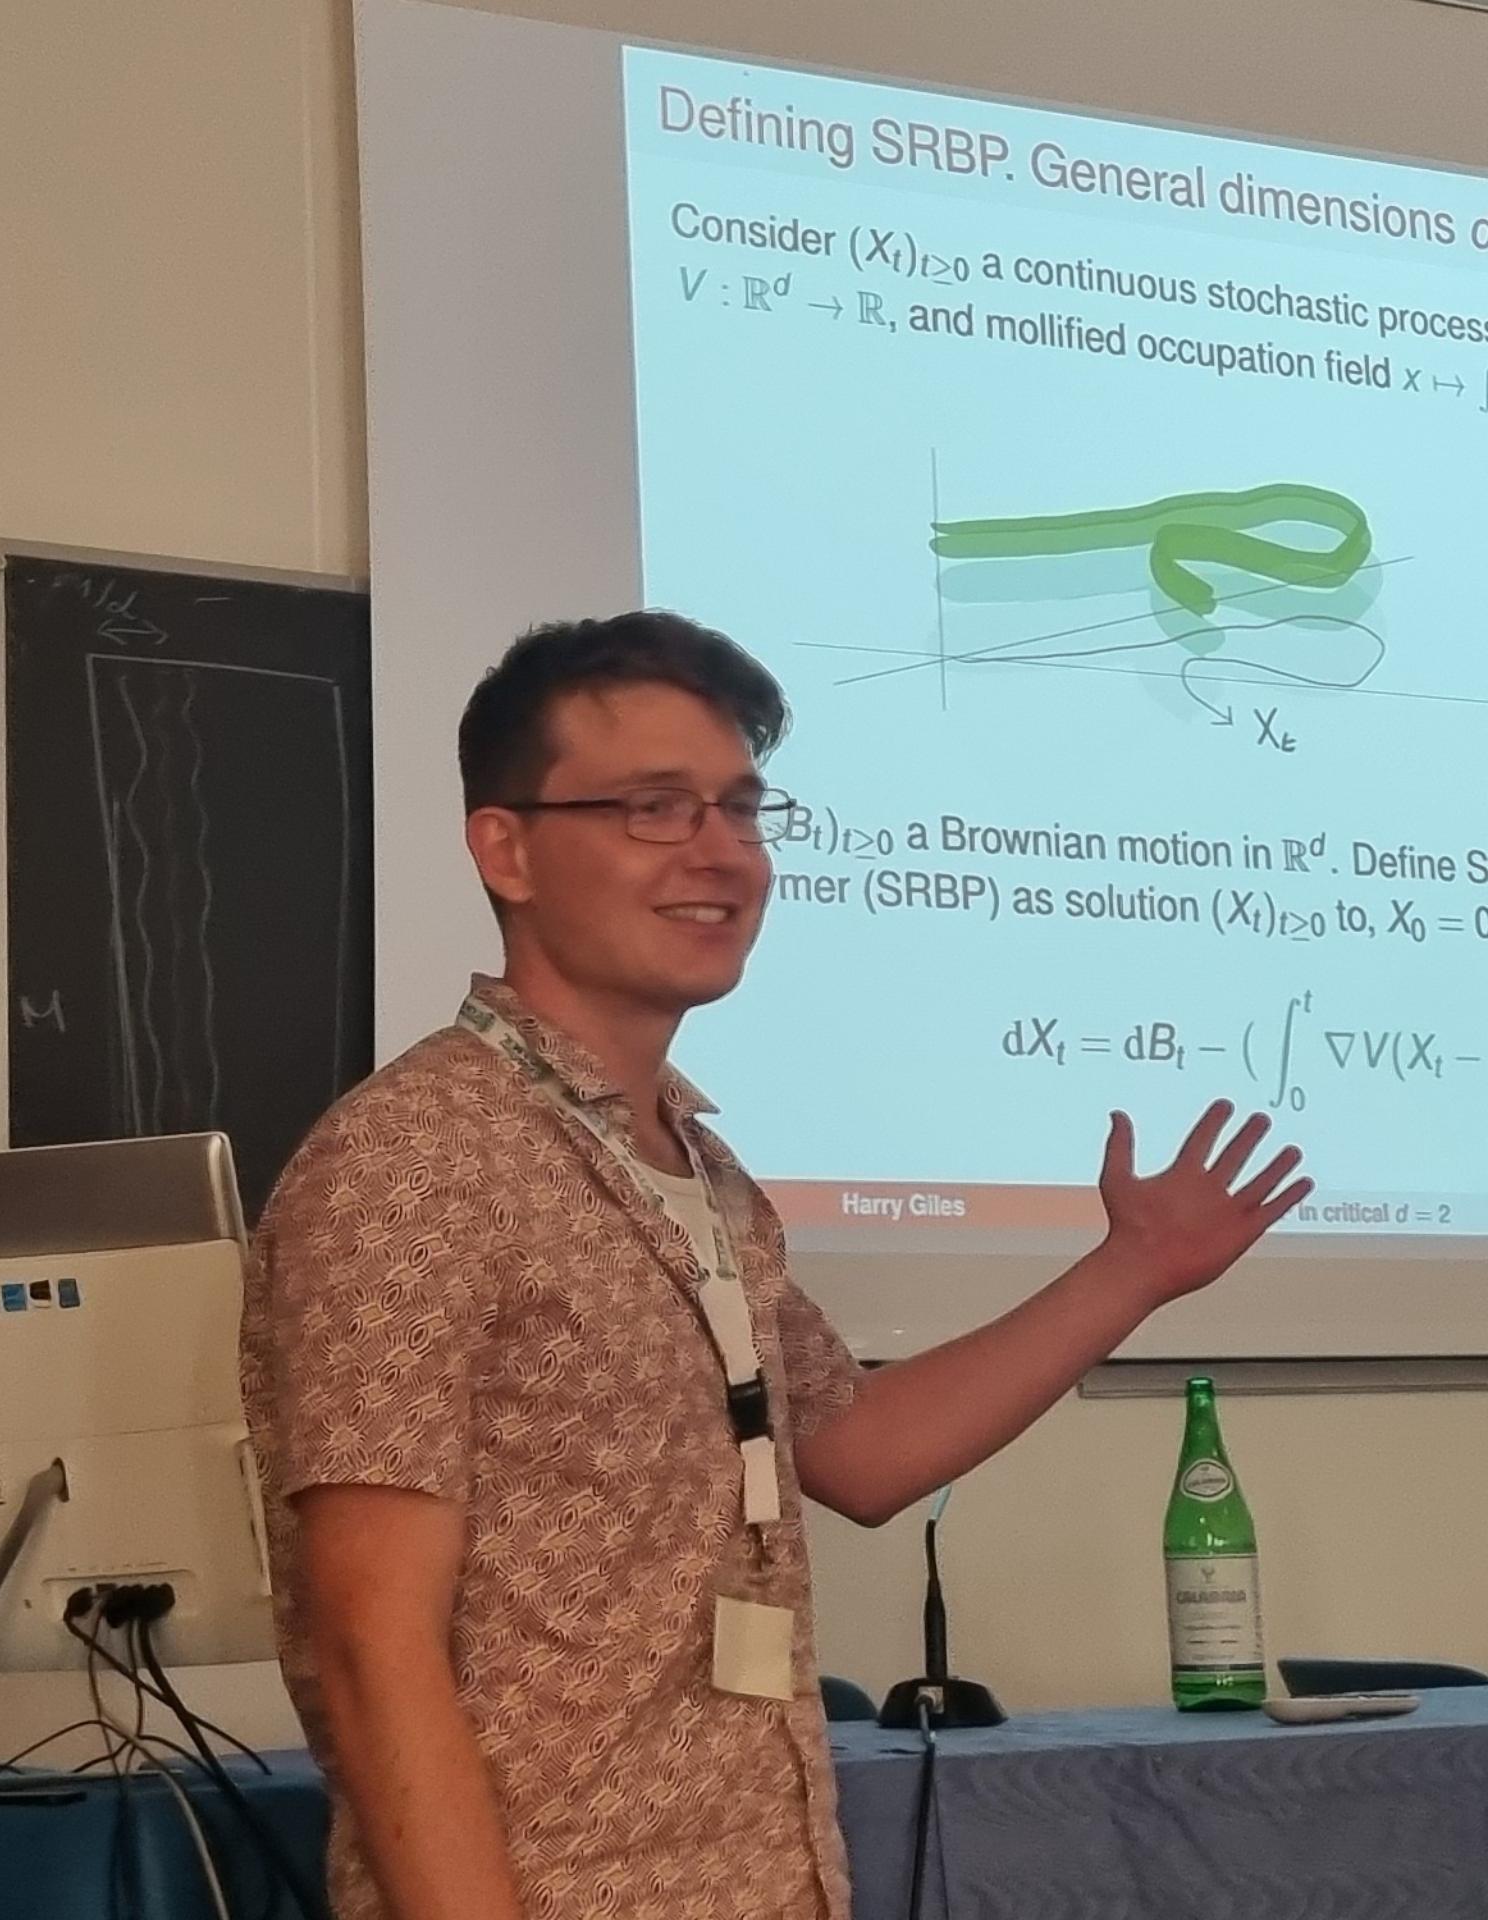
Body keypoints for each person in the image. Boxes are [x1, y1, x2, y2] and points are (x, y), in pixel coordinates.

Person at [240, 610, 1312, 1920]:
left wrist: (1131, 1271)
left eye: (742, 810)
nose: (721, 853)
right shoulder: (413, 1165)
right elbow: (370, 1646)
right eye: (654, 808)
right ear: (504, 848)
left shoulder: (693, 1167)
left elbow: (857, 1450)